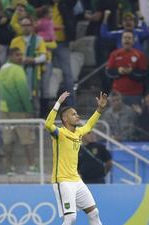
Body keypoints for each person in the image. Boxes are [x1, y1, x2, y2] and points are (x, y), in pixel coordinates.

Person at [45, 91, 107, 225]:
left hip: (77, 180)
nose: (77, 115)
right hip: (63, 181)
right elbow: (48, 125)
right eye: (73, 114)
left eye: (77, 113)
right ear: (65, 119)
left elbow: (89, 125)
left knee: (94, 213)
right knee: (71, 218)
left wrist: (99, 109)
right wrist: (58, 103)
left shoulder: (78, 133)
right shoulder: (60, 133)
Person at [0, 47, 37, 174]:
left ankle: (10, 168)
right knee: (27, 139)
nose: (20, 57)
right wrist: (29, 110)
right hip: (18, 110)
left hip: (4, 110)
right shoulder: (18, 69)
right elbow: (23, 93)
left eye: (21, 54)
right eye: (17, 55)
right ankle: (32, 167)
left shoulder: (2, 69)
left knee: (7, 140)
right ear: (10, 56)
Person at [106, 30, 148, 105]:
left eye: (129, 38)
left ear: (133, 40)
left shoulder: (140, 55)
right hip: (117, 94)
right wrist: (118, 71)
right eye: (125, 38)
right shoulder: (114, 54)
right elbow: (109, 72)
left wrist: (131, 72)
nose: (127, 40)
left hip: (135, 94)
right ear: (121, 40)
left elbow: (143, 73)